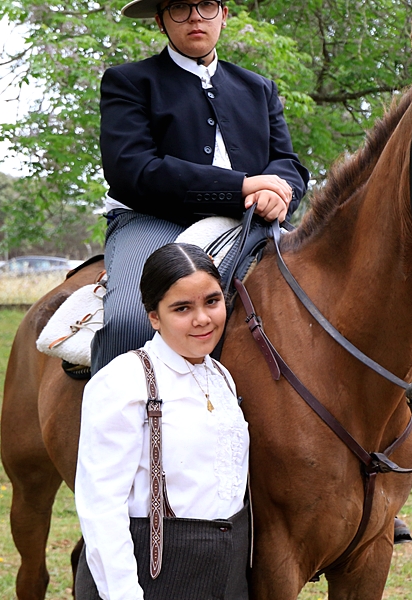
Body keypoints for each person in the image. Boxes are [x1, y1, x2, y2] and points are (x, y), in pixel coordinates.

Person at [89, 0, 309, 376]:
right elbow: (133, 170)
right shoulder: (128, 82)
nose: (194, 16)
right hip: (152, 221)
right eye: (179, 7)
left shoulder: (259, 88)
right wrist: (242, 186)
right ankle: (116, 429)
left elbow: (287, 162)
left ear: (223, 15)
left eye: (206, 5)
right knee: (130, 320)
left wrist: (279, 191)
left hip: (251, 224)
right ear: (160, 21)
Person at [75, 243, 249, 600]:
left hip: (226, 577)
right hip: (155, 578)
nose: (202, 319)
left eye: (212, 302)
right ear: (154, 316)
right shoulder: (123, 382)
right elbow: (101, 506)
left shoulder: (222, 377)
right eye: (182, 308)